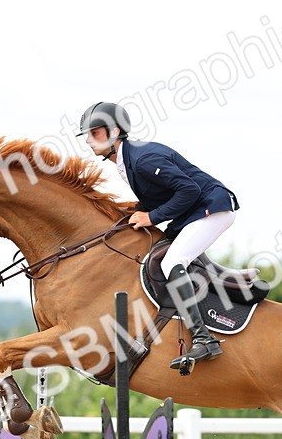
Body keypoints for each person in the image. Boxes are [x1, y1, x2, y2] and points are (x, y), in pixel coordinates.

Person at [77, 101, 240, 372]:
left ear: (115, 132)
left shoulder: (142, 159)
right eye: (87, 135)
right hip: (193, 211)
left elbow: (188, 190)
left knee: (170, 263)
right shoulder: (125, 159)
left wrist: (151, 218)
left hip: (213, 209)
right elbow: (164, 194)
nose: (88, 140)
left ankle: (204, 338)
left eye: (94, 133)